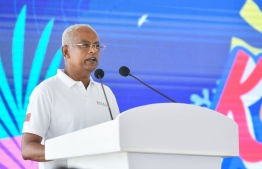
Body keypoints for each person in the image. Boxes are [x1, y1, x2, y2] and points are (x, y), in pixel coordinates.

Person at [21, 24, 120, 169]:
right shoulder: (46, 91)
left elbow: (117, 139)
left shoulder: (106, 92)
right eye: (85, 45)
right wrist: (75, 151)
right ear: (66, 52)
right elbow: (28, 149)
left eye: (97, 46)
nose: (93, 50)